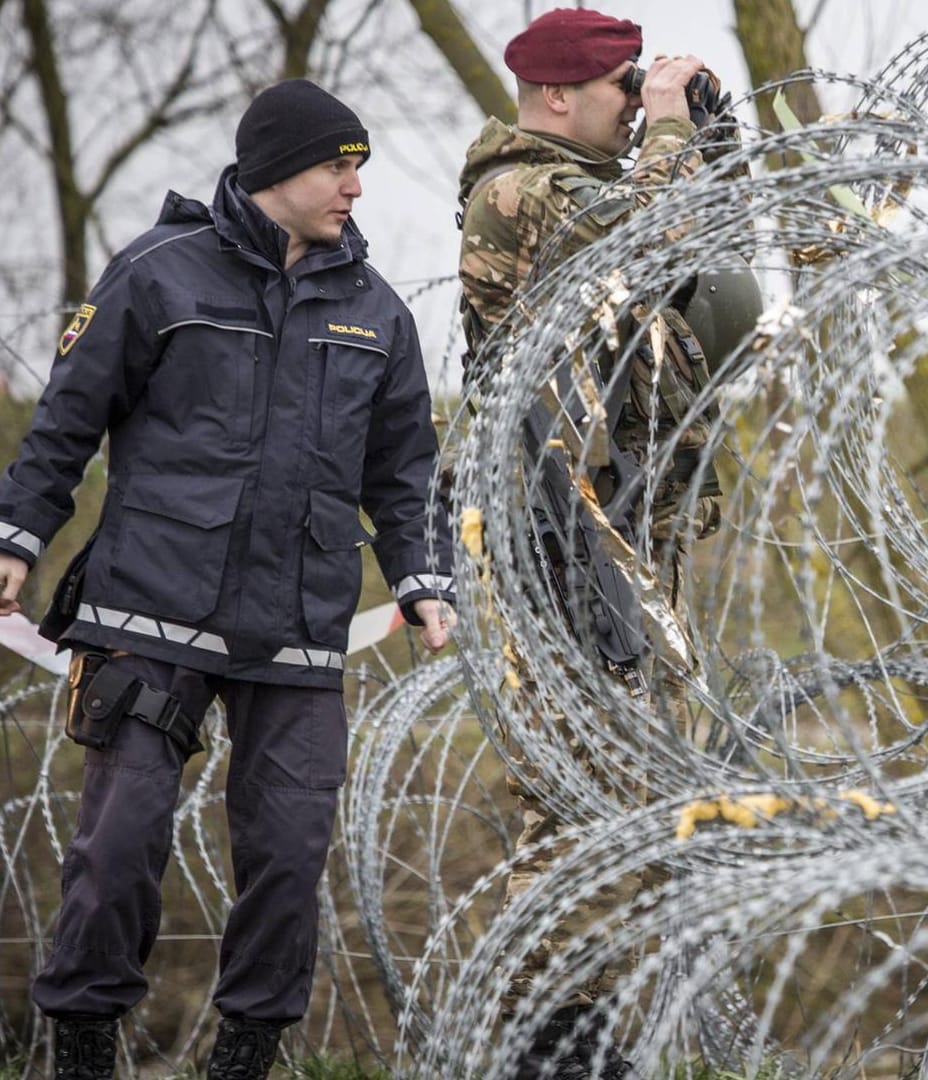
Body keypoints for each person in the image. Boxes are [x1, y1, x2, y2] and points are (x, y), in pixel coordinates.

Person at [0, 79, 456, 1080]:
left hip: (296, 630)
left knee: (290, 860)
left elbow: (403, 472)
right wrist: (17, 538)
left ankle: (243, 1058)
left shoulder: (378, 313)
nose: (356, 188)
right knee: (117, 852)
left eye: (361, 167)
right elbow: (67, 421)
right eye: (338, 165)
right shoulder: (158, 275)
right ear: (274, 169)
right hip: (146, 613)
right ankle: (81, 1049)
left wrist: (421, 577)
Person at [456, 8, 751, 1078]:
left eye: (643, 88)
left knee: (626, 799)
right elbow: (641, 244)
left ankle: (594, 1029)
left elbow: (723, 290)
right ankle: (549, 1036)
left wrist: (714, 148)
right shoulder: (518, 192)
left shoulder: (608, 186)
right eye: (627, 89)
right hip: (554, 539)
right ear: (557, 97)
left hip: (627, 536)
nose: (639, 107)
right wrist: (670, 135)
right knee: (563, 798)